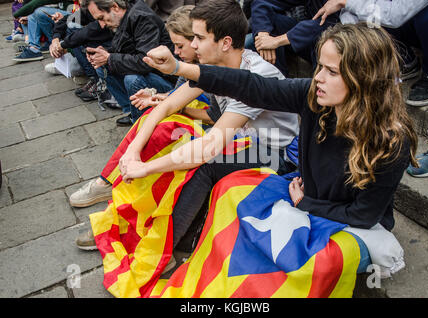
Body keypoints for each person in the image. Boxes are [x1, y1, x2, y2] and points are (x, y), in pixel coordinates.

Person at [145, 22, 418, 231]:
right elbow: (251, 86)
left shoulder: (392, 140)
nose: (318, 78)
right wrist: (179, 67)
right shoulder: (314, 95)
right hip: (306, 196)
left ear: (365, 78)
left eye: (332, 71)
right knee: (237, 209)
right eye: (319, 67)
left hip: (354, 227)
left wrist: (304, 203)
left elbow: (364, 216)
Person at [75, 0, 298, 252]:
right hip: (242, 141)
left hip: (275, 155)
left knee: (201, 163)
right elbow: (166, 106)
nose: (192, 45)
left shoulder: (258, 75)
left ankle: (163, 248)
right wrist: (133, 151)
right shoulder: (216, 65)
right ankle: (127, 213)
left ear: (225, 43)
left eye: (199, 38)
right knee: (165, 129)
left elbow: (210, 147)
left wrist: (145, 168)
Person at [69, 4, 213, 210]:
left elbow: (216, 117)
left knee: (161, 120)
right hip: (208, 121)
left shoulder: (211, 65)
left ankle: (118, 180)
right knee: (152, 117)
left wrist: (168, 101)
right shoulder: (198, 62)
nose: (176, 51)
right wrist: (157, 97)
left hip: (228, 138)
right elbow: (178, 95)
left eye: (180, 46)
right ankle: (114, 177)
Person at [313, 0, 428, 107]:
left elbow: (395, 16)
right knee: (369, 10)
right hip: (408, 23)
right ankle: (406, 60)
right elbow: (349, 10)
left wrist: (346, 2)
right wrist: (352, 45)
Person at [83, 0, 176, 126]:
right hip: (154, 73)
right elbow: (127, 51)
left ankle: (141, 123)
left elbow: (145, 62)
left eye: (102, 18)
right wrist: (104, 53)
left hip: (169, 82)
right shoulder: (125, 16)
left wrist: (110, 57)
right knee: (102, 66)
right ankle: (132, 111)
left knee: (132, 79)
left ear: (115, 7)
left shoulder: (142, 18)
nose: (102, 24)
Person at [248, 0, 340, 77]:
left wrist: (278, 40)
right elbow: (262, 2)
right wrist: (263, 35)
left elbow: (331, 25)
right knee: (268, 24)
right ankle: (278, 79)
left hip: (337, 44)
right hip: (309, 39)